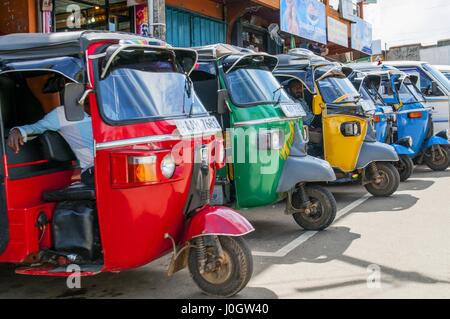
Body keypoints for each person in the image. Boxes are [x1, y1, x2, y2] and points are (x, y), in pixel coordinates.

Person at [7, 75, 94, 186]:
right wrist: (16, 131)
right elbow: (35, 128)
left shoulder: (109, 110)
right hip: (91, 169)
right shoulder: (61, 114)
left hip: (109, 163)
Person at [287, 79, 323, 145]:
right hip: (308, 124)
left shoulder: (300, 99)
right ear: (289, 90)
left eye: (300, 87)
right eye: (295, 87)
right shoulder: (289, 102)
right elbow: (298, 121)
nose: (299, 89)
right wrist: (312, 129)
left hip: (312, 121)